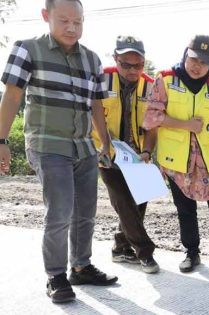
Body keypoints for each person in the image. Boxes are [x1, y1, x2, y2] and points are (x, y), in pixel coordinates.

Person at [0, 0, 117, 304]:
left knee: (86, 212)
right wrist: (1, 141)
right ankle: (55, 275)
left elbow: (96, 105)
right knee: (60, 211)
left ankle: (81, 265)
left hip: (84, 146)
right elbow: (12, 97)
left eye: (77, 22)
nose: (71, 27)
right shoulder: (27, 49)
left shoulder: (92, 60)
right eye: (63, 20)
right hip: (47, 144)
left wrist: (105, 141)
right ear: (46, 17)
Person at [142, 34, 209, 275]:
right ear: (185, 55)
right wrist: (185, 124)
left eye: (203, 62)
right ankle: (192, 252)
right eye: (193, 59)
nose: (197, 66)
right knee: (185, 208)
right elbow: (151, 117)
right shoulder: (166, 80)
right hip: (177, 160)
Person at [92, 36, 159, 274]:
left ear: (144, 62)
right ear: (115, 59)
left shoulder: (151, 86)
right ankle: (145, 253)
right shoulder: (101, 78)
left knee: (140, 201)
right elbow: (91, 111)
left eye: (138, 65)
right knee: (123, 202)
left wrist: (147, 151)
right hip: (106, 153)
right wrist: (102, 146)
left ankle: (120, 247)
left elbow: (152, 125)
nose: (132, 70)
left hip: (137, 155)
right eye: (126, 64)